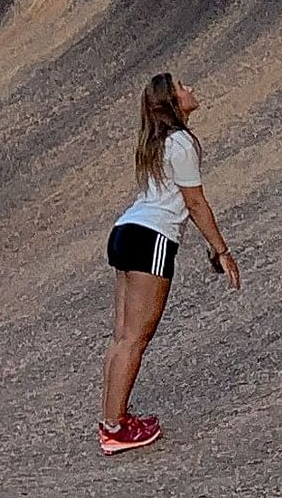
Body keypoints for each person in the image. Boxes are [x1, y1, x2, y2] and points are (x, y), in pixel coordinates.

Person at [98, 71, 237, 454]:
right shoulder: (181, 143)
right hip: (151, 239)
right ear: (173, 104)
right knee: (136, 339)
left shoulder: (155, 143)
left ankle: (112, 419)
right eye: (182, 88)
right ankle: (114, 429)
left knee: (122, 335)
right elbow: (195, 204)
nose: (190, 89)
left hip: (125, 230)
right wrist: (220, 250)